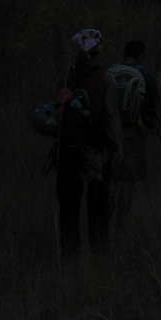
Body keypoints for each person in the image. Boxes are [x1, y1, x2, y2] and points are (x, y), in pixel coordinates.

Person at [56, 27, 122, 256]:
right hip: (96, 153)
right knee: (98, 212)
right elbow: (112, 119)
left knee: (69, 212)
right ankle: (99, 262)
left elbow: (57, 117)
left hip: (70, 151)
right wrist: (116, 151)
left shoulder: (67, 78)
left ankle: (70, 263)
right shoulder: (105, 79)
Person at [110, 39, 161, 230]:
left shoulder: (111, 73)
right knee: (128, 181)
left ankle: (102, 229)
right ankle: (120, 227)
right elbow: (157, 110)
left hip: (109, 135)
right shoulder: (145, 75)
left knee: (111, 181)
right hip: (133, 135)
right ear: (141, 55)